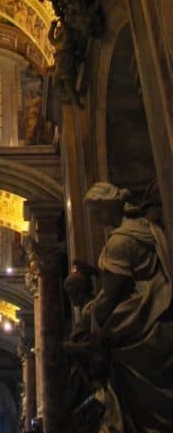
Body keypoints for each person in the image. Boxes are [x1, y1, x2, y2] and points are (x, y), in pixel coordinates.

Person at [83, 182, 173, 432]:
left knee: (136, 404)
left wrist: (90, 316)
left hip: (140, 320)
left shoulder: (120, 243)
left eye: (98, 213)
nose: (98, 220)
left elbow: (110, 297)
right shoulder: (148, 228)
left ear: (110, 207)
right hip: (162, 308)